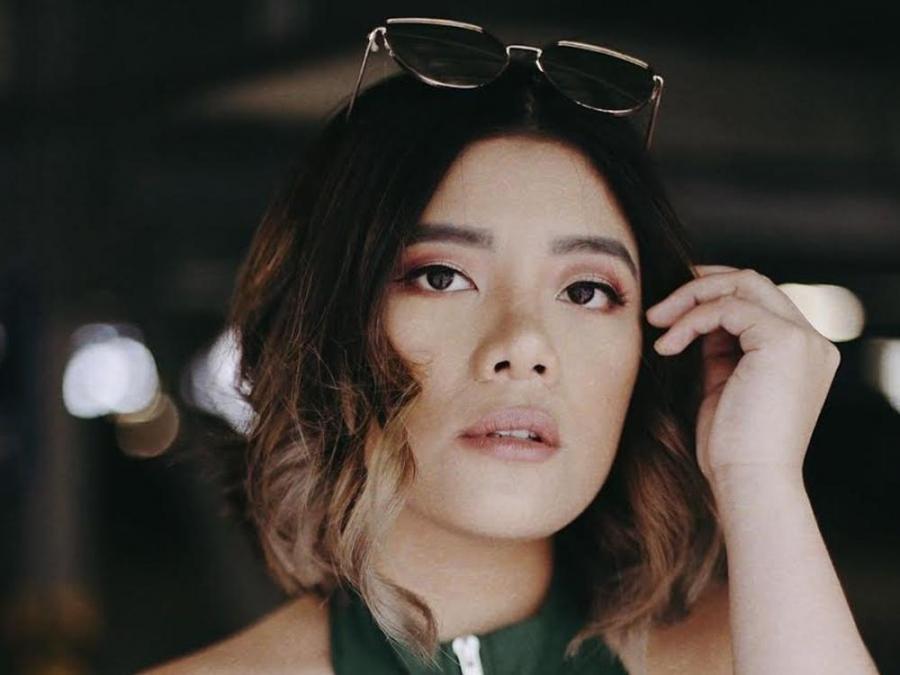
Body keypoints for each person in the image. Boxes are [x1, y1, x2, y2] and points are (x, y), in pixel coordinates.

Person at [142, 19, 878, 675]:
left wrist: (760, 476)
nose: (523, 344)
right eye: (441, 276)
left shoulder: (747, 652)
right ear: (328, 323)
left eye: (586, 291)